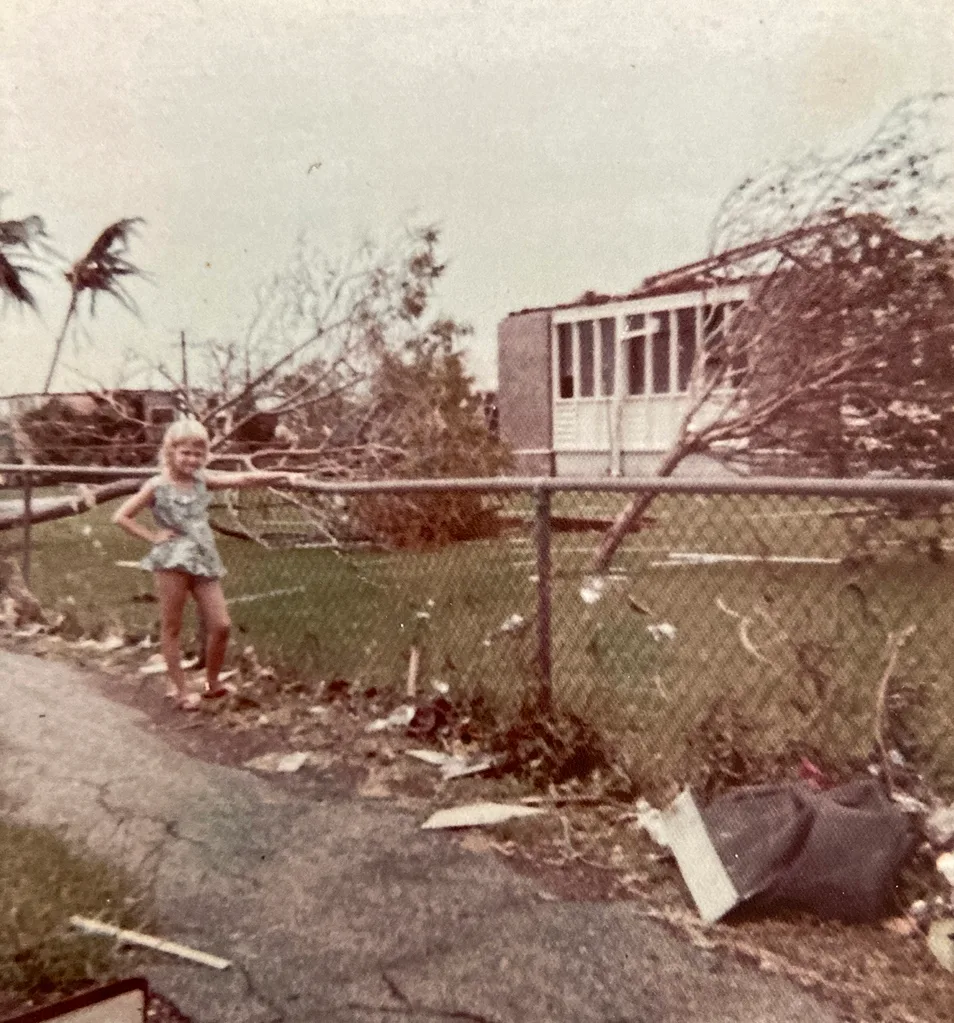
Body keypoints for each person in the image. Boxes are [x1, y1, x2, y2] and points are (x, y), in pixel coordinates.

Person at [112, 418, 294, 710]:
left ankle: (212, 683)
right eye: (185, 453)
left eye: (198, 454)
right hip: (172, 560)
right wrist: (153, 536)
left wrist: (283, 476)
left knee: (221, 625)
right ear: (170, 452)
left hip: (204, 557)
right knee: (172, 626)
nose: (192, 459)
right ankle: (181, 691)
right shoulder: (157, 485)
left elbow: (243, 479)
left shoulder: (202, 480)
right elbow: (121, 516)